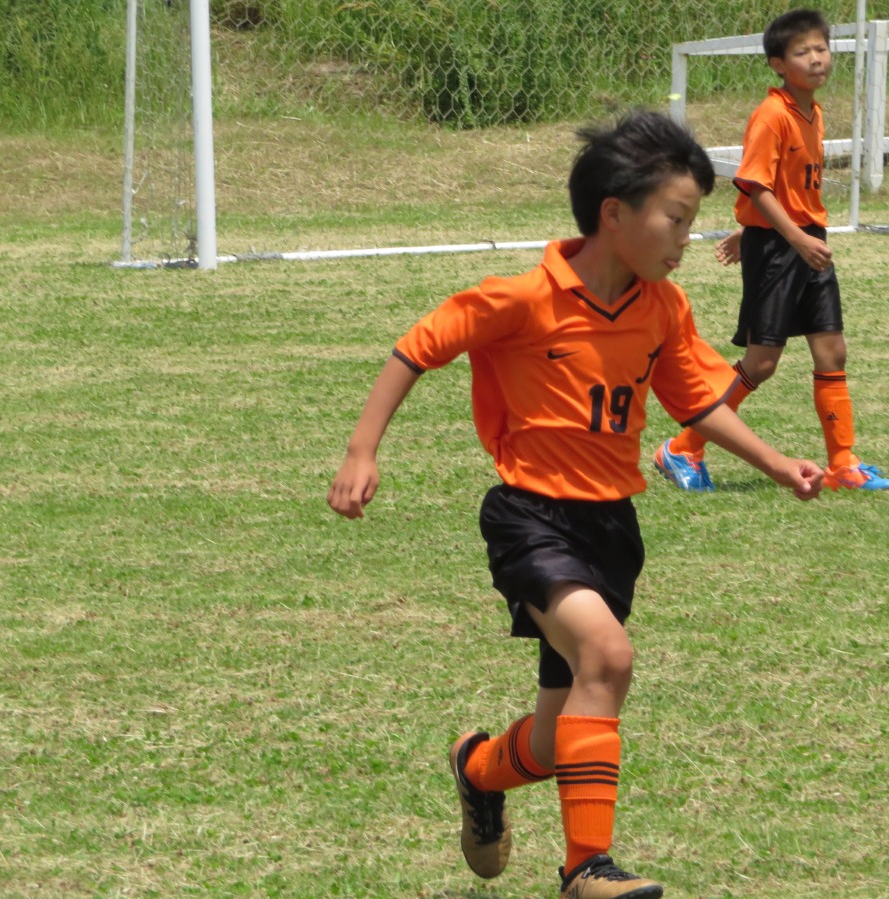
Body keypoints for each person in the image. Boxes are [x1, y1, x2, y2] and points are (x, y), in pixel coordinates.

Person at [328, 110, 824, 898]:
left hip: (610, 527)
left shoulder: (662, 308)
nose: (685, 238)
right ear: (613, 213)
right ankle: (586, 867)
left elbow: (697, 400)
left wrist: (774, 461)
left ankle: (479, 769)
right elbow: (420, 345)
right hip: (530, 515)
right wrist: (363, 450)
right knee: (609, 657)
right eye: (676, 218)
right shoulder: (525, 297)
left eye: (691, 221)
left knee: (559, 738)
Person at [653, 8, 889, 494]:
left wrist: (759, 231)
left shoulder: (813, 112)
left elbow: (782, 188)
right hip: (786, 248)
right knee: (762, 362)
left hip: (807, 242)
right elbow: (755, 185)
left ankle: (843, 463)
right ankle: (683, 447)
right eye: (802, 52)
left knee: (832, 350)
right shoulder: (772, 115)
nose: (816, 58)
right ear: (778, 64)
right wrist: (782, 237)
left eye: (822, 48)